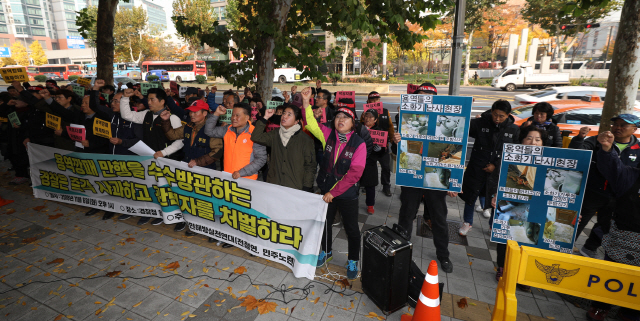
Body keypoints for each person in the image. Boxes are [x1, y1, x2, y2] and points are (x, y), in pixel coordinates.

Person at [302, 87, 365, 280]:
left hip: (345, 193)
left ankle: (353, 259)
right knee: (325, 223)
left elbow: (354, 175)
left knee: (352, 228)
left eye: (345, 118)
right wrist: (306, 102)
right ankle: (326, 252)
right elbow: (311, 124)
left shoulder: (359, 144)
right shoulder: (327, 134)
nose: (340, 120)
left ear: (352, 123)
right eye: (338, 117)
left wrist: (334, 192)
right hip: (326, 188)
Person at [393, 84, 457, 273]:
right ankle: (401, 248)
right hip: (412, 173)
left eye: (430, 97)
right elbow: (399, 150)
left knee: (439, 217)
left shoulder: (448, 120)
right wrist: (396, 140)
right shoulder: (406, 117)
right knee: (406, 214)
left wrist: (454, 180)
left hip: (435, 175)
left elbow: (456, 150)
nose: (425, 100)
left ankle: (443, 255)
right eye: (421, 96)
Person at [585, 130, 640, 321]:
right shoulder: (631, 175)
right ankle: (600, 306)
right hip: (622, 237)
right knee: (612, 274)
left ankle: (631, 311)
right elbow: (613, 169)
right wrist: (606, 149)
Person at [569, 114, 640, 258]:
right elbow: (575, 154)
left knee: (606, 226)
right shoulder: (597, 140)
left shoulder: (638, 149)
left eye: (623, 125)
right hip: (592, 192)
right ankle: (564, 246)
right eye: (615, 124)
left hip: (619, 198)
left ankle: (589, 249)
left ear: (634, 129)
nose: (618, 128)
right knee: (576, 221)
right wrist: (579, 138)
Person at [491, 126, 547, 291]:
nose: (533, 142)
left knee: (530, 240)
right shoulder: (510, 157)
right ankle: (502, 268)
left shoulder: (550, 161)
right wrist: (495, 195)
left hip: (535, 208)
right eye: (529, 138)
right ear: (522, 140)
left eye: (537, 139)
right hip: (510, 206)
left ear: (543, 143)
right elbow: (499, 179)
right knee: (506, 237)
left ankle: (523, 275)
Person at [204, 102, 267, 247]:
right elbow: (209, 131)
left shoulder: (255, 132)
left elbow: (262, 159)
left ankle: (241, 239)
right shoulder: (227, 130)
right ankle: (228, 236)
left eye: (238, 115)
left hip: (247, 180)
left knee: (243, 212)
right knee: (228, 209)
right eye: (232, 115)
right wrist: (216, 114)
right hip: (228, 178)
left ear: (247, 117)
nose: (234, 118)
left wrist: (242, 172)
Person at [120, 88, 185, 227]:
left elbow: (180, 141)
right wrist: (125, 98)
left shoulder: (172, 118)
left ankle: (175, 216)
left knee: (168, 190)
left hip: (167, 160)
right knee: (153, 187)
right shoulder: (146, 114)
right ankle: (155, 213)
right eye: (148, 99)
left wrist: (164, 152)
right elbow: (127, 115)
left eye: (152, 99)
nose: (148, 102)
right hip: (150, 159)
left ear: (162, 101)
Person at [160, 100, 223, 238]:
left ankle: (209, 228)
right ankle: (194, 225)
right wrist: (165, 121)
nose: (192, 114)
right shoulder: (188, 126)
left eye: (195, 112)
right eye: (190, 111)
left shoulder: (211, 129)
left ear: (205, 113)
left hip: (205, 171)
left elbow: (217, 151)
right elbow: (172, 135)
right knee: (190, 198)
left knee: (204, 200)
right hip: (188, 169)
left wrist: (199, 161)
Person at [459, 100, 519, 236]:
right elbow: (461, 126)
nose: (497, 119)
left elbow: (514, 153)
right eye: (495, 115)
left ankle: (493, 226)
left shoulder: (514, 129)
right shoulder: (480, 123)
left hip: (497, 172)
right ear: (491, 112)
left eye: (501, 116)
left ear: (508, 115)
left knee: (496, 200)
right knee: (470, 196)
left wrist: (496, 166)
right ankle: (467, 222)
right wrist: (466, 107)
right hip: (477, 168)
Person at [88, 79, 144, 220]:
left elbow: (139, 140)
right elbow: (94, 105)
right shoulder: (111, 115)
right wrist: (95, 88)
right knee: (114, 184)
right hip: (112, 157)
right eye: (112, 101)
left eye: (116, 101)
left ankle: (131, 209)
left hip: (130, 159)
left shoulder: (135, 118)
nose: (112, 103)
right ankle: (112, 208)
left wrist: (121, 141)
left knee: (129, 185)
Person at [250, 104, 316, 191]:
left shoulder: (305, 140)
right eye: (284, 114)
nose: (284, 116)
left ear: (296, 121)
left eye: (289, 114)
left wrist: (307, 187)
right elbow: (256, 137)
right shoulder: (275, 134)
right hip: (274, 184)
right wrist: (265, 117)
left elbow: (310, 166)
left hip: (294, 187)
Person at [360, 91, 394, 197]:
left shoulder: (385, 112)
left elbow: (390, 127)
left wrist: (392, 140)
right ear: (368, 101)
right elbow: (361, 127)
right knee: (368, 167)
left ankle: (386, 186)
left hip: (382, 146)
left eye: (377, 100)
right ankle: (366, 185)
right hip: (368, 148)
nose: (375, 101)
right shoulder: (365, 113)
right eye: (372, 100)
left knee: (386, 167)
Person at [360, 108, 388, 214]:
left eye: (371, 117)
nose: (368, 118)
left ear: (375, 119)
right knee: (354, 182)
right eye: (366, 116)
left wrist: (380, 150)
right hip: (357, 160)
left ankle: (370, 205)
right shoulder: (358, 128)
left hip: (370, 161)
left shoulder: (380, 131)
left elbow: (384, 151)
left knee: (370, 185)